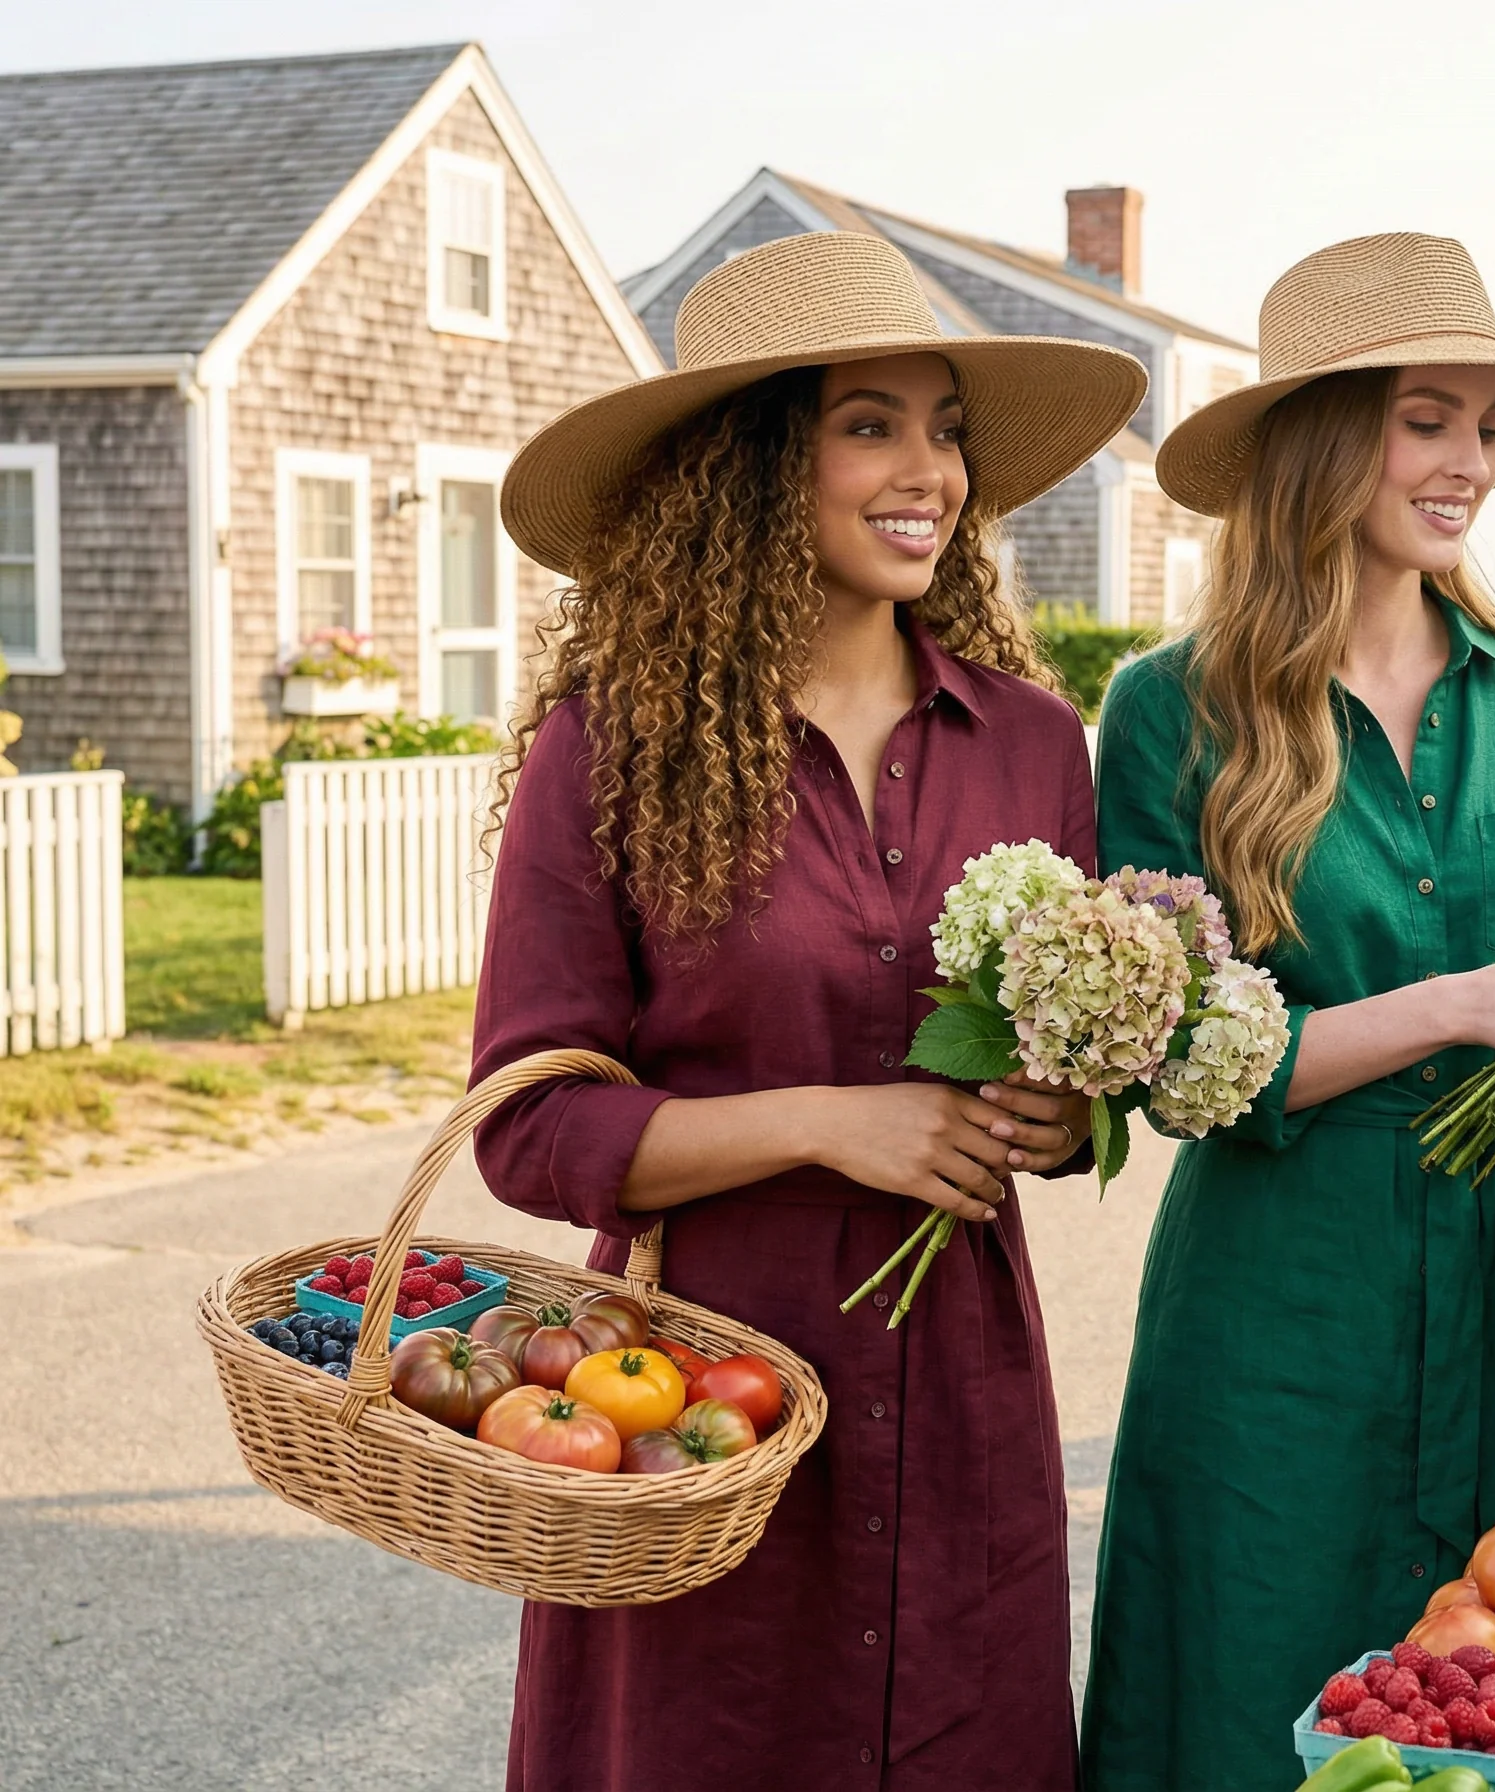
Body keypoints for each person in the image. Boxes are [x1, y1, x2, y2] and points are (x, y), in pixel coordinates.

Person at [472, 231, 1145, 1792]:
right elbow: (530, 1126)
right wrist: (833, 1126)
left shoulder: (1034, 743)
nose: (930, 471)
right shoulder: (613, 751)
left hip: (959, 1376)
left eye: (946, 426)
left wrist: (1060, 1115)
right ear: (753, 468)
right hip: (692, 1395)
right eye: (870, 423)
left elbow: (1074, 1062)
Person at [1080, 233, 1495, 1789]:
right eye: (1429, 418)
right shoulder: (1173, 708)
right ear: (1322, 439)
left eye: (1489, 427)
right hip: (1278, 1314)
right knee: (1247, 1705)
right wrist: (1457, 1003)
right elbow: (1177, 1076)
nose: (1472, 466)